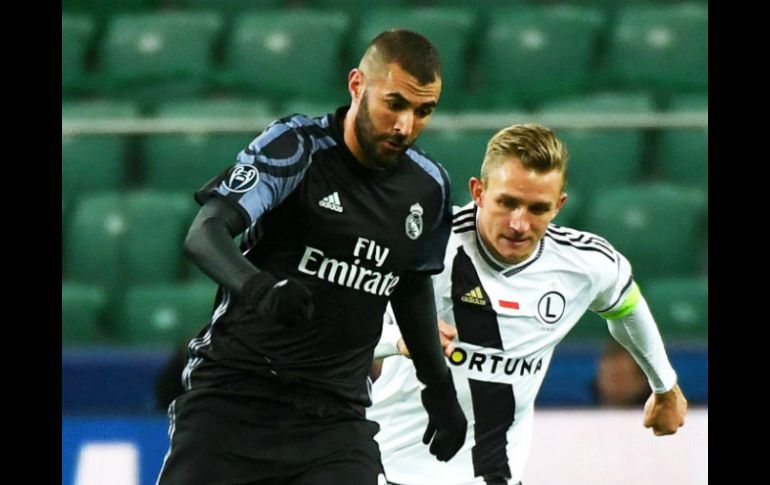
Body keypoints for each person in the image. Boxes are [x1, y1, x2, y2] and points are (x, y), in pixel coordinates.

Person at [156, 29, 467, 485]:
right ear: (357, 84)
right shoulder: (296, 147)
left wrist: (439, 389)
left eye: (424, 111)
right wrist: (262, 289)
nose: (406, 126)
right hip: (234, 398)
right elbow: (205, 233)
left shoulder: (429, 186)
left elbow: (412, 284)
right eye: (395, 104)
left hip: (335, 419)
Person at [368, 124, 688, 485]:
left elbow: (627, 306)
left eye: (537, 208)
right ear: (479, 191)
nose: (519, 224)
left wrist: (664, 387)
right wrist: (400, 340)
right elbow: (343, 327)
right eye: (507, 203)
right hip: (393, 473)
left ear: (559, 205)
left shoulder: (584, 264)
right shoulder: (424, 246)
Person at [592, 339, 651, 406]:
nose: (614, 385)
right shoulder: (581, 410)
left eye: (621, 377)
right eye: (609, 376)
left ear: (642, 381)